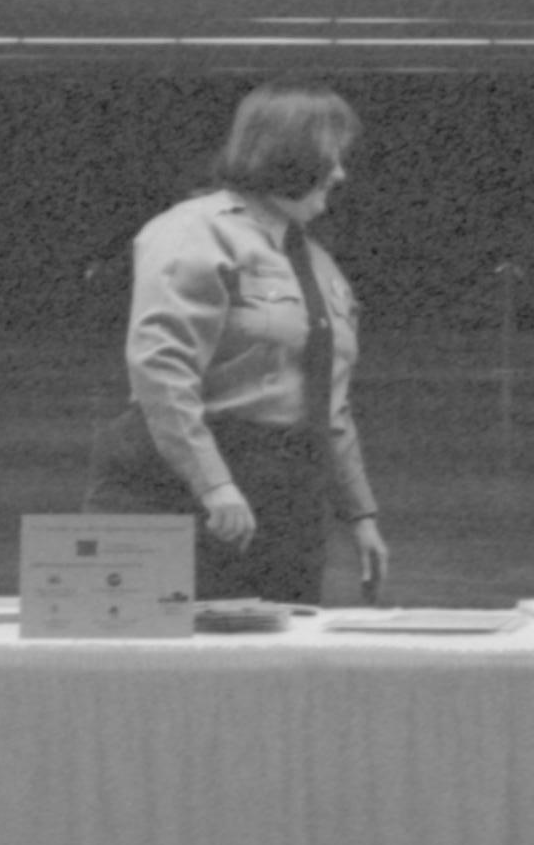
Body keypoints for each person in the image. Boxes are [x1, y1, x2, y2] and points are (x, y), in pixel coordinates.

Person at [86, 82, 389, 605]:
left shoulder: (316, 260)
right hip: (180, 485)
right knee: (170, 662)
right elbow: (162, 372)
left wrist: (359, 514)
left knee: (279, 661)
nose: (340, 173)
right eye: (331, 156)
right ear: (288, 152)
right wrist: (214, 485)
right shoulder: (193, 233)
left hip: (286, 487)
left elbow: (328, 404)